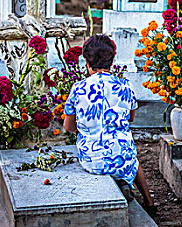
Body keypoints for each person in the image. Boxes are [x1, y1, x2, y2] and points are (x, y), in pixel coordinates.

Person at [63, 35, 155, 212]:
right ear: (112, 61)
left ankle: (119, 185)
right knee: (131, 157)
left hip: (91, 160)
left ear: (86, 62)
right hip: (122, 158)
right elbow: (130, 117)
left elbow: (68, 127)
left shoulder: (78, 88)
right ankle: (149, 203)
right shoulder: (126, 86)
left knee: (106, 152)